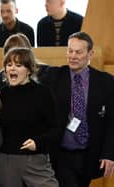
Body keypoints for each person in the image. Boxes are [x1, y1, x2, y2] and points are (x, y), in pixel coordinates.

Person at [40, 32, 114, 187]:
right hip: (61, 154)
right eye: (70, 51)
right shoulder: (53, 76)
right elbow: (27, 70)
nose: (72, 56)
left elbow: (111, 121)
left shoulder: (105, 82)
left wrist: (109, 154)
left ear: (90, 54)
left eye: (78, 52)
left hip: (89, 154)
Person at [0, 47, 59, 187]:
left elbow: (56, 129)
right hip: (7, 161)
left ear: (29, 70)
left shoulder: (43, 93)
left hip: (36, 160)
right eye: (9, 65)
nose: (12, 69)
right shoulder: (2, 94)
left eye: (18, 65)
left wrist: (38, 142)